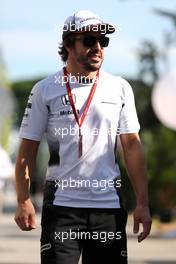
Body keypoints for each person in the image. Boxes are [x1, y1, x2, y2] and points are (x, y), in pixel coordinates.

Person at [14, 10, 152, 264]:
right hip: (62, 210)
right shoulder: (45, 89)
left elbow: (132, 146)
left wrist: (142, 202)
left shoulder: (120, 88)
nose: (98, 47)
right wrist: (23, 200)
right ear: (68, 44)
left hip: (108, 209)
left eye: (103, 41)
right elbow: (27, 151)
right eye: (89, 41)